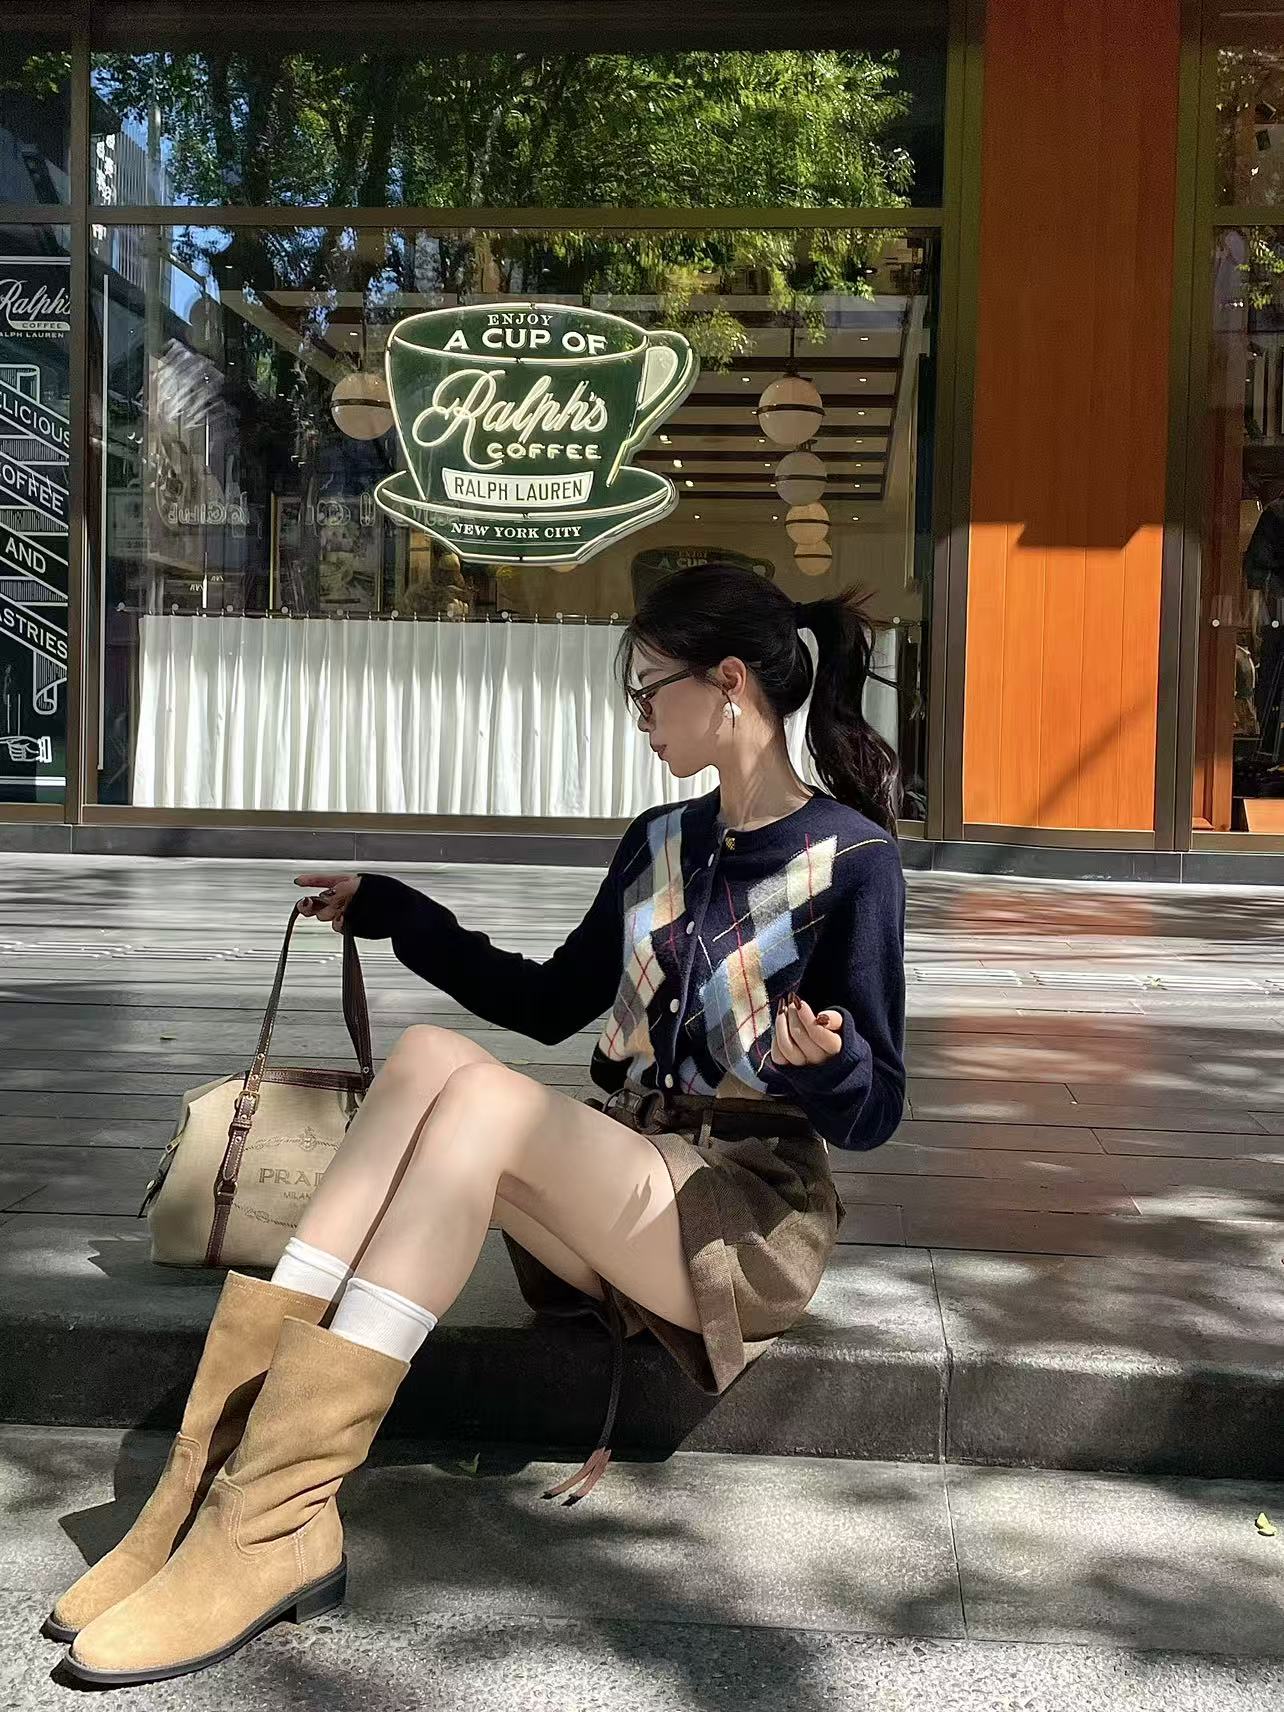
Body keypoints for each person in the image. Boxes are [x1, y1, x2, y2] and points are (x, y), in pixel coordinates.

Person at [49, 563, 907, 1687]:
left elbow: (877, 1108)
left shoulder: (852, 860)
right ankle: (216, 1478)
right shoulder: (660, 838)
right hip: (629, 1181)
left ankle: (268, 1520)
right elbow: (549, 1002)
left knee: (486, 1105)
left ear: (730, 681)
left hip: (742, 1215)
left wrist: (832, 1065)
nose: (641, 717)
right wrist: (397, 911)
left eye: (650, 689)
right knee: (428, 1058)